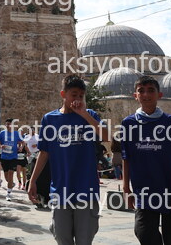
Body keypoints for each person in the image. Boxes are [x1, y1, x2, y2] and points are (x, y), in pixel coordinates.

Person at [28, 75, 109, 245]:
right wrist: (33, 181)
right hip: (60, 191)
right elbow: (44, 153)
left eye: (81, 95)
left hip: (86, 190)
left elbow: (107, 136)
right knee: (62, 237)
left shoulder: (90, 116)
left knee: (84, 240)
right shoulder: (50, 119)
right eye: (74, 95)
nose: (78, 99)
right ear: (63, 94)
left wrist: (84, 114)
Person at [121, 75, 171, 245]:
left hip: (169, 191)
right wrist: (126, 189)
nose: (146, 94)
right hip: (144, 193)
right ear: (135, 96)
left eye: (151, 90)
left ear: (159, 94)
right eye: (141, 91)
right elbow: (126, 158)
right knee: (144, 233)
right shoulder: (128, 124)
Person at [0, 118, 23, 201]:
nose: (7, 126)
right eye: (6, 124)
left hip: (13, 157)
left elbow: (21, 142)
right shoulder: (2, 133)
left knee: (11, 173)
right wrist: (1, 146)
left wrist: (20, 147)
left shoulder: (16, 134)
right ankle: (11, 183)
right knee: (6, 177)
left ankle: (8, 194)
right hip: (4, 157)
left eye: (9, 124)